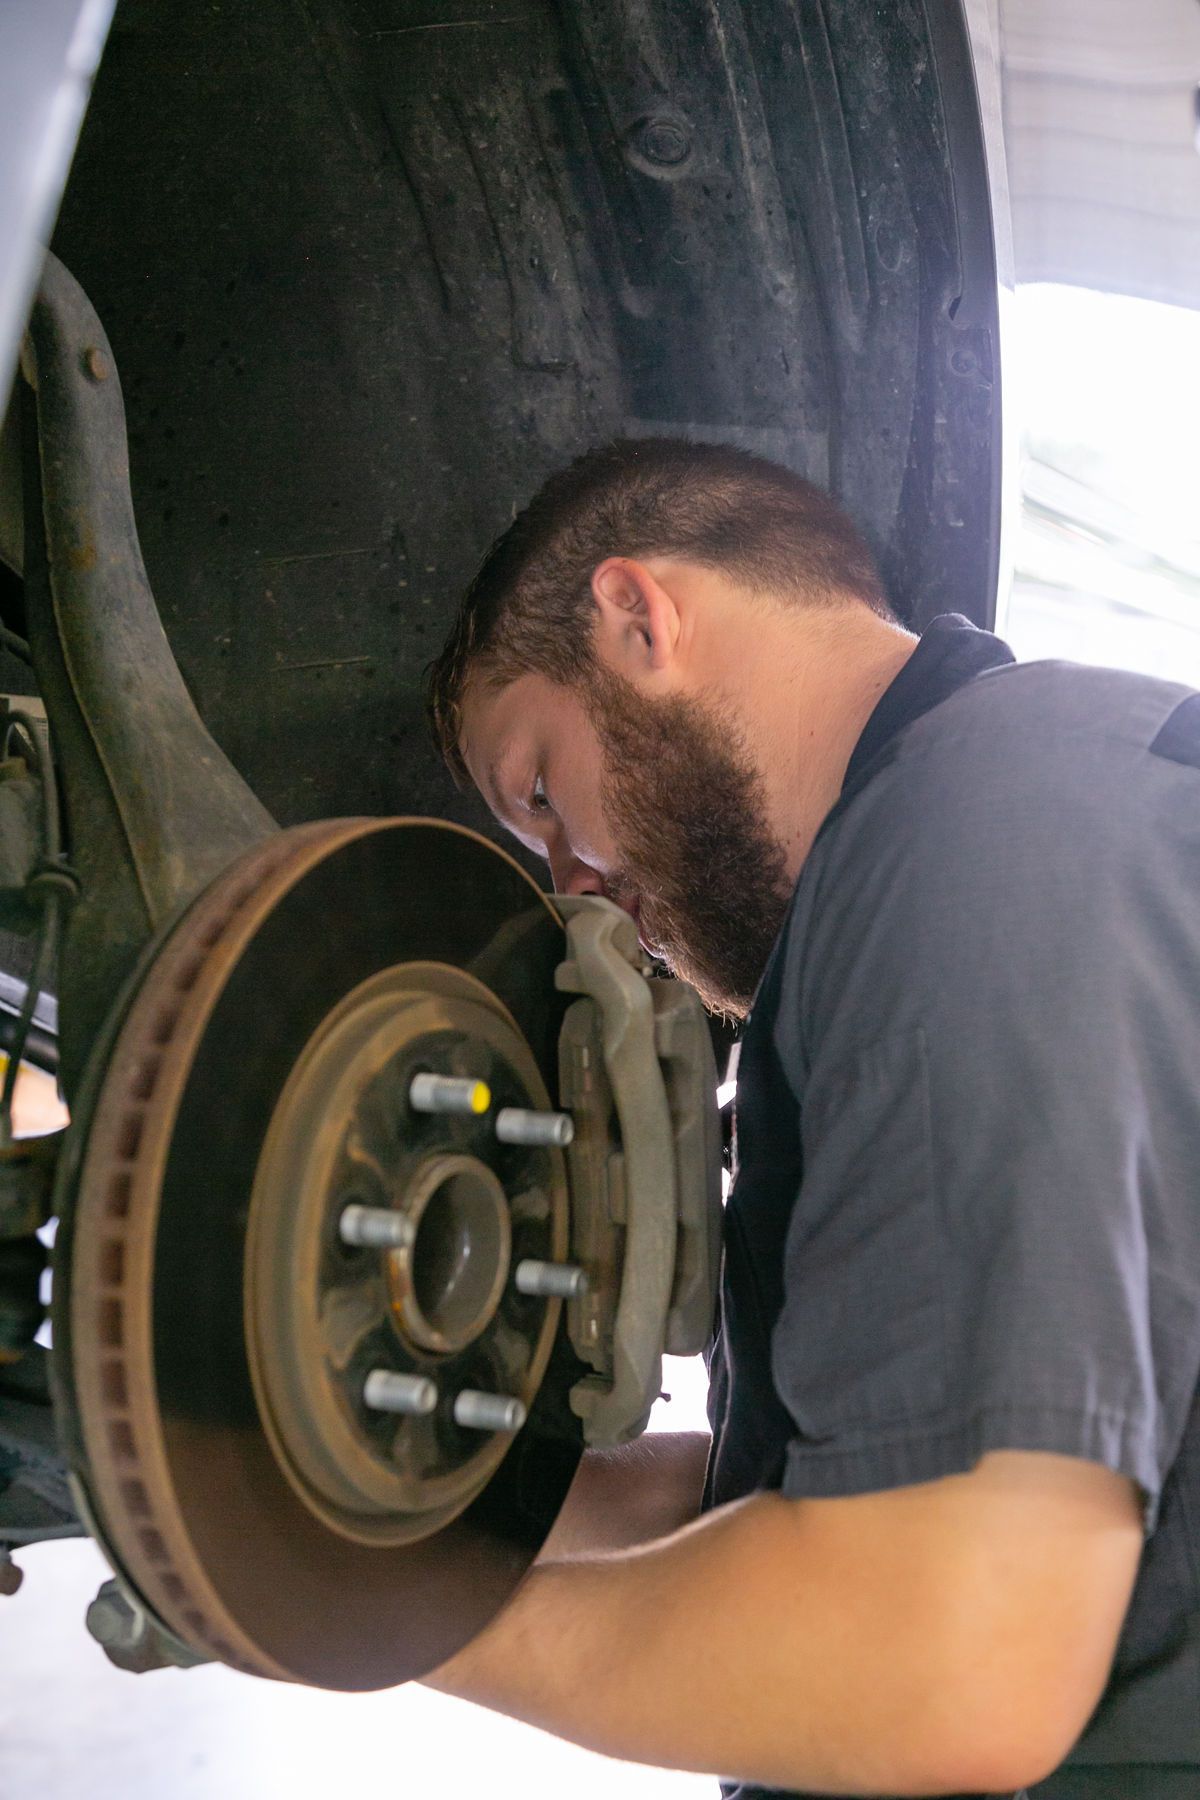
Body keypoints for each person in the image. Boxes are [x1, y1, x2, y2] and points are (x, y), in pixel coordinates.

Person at [421, 437, 1200, 1800]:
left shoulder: (979, 846)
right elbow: (803, 1484)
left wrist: (358, 1619)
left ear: (638, 619)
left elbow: (953, 1660)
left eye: (541, 792)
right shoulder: (985, 813)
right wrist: (364, 1509)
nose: (578, 889)